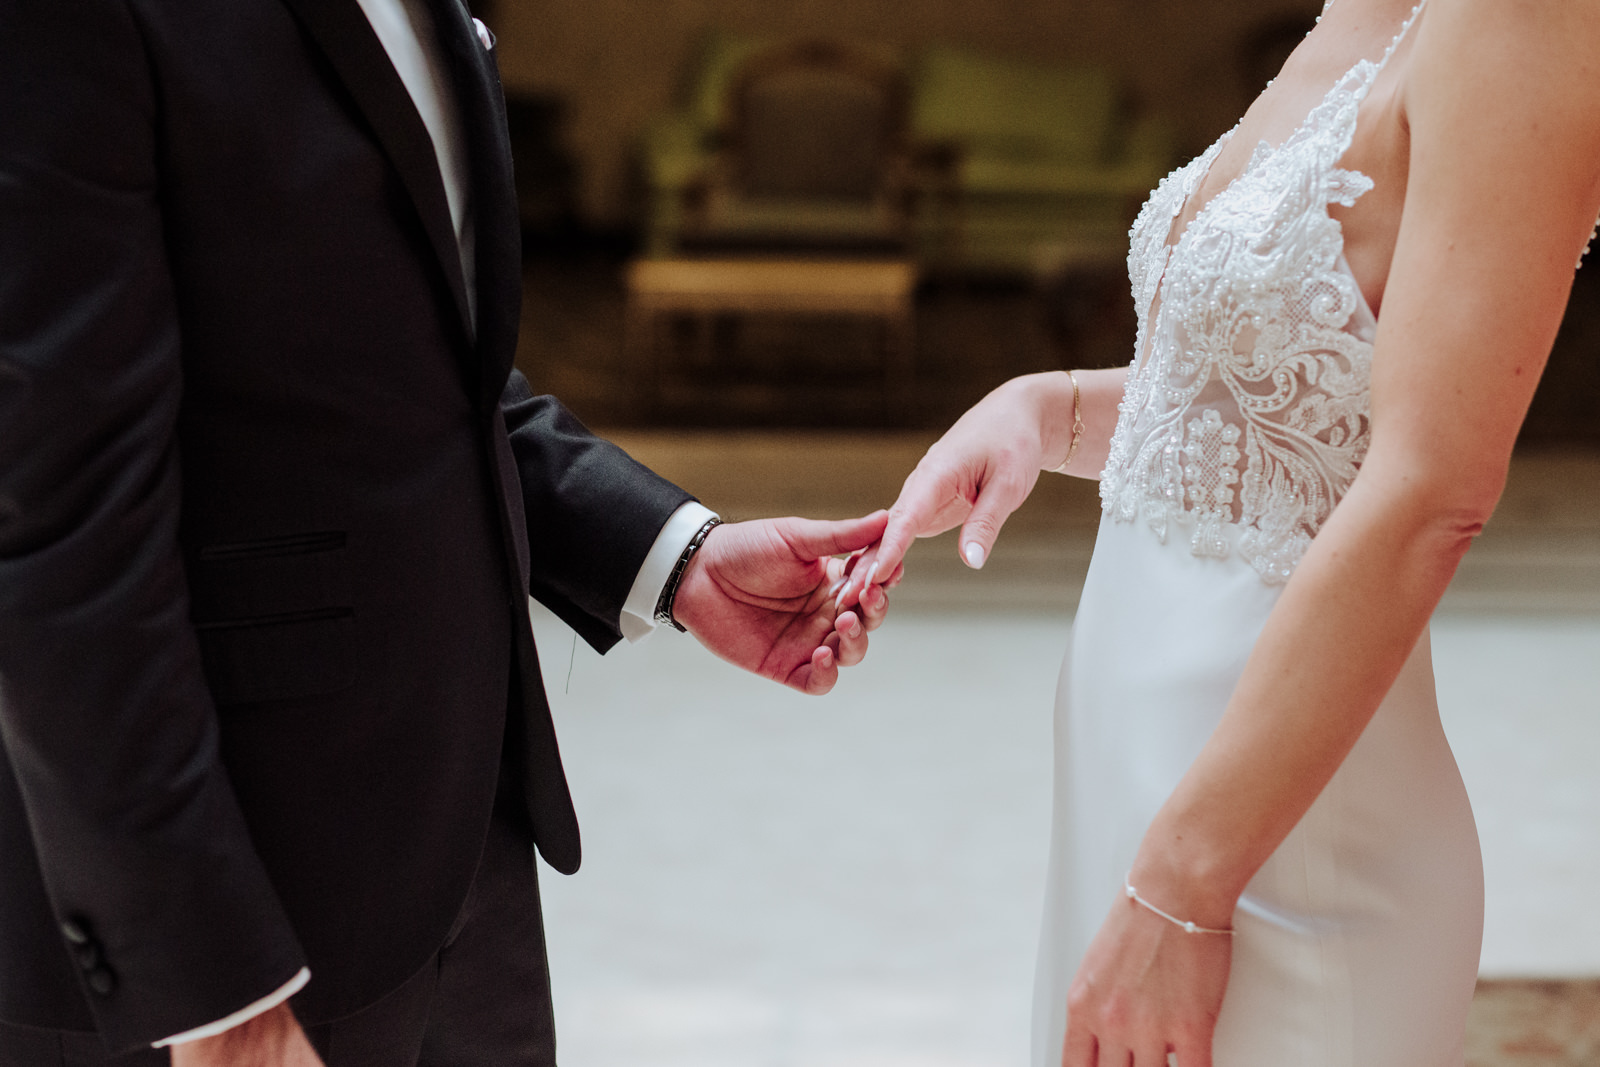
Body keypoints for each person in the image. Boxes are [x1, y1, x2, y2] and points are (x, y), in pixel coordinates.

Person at [0, 0, 890, 1064]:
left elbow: (416, 372)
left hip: (464, 841)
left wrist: (673, 553)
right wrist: (213, 990)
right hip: (235, 913)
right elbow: (57, 518)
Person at [840, 0, 1600, 1062]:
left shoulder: (1520, 17)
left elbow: (1430, 488)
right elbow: (1276, 410)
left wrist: (1186, 886)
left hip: (1279, 854)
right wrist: (1048, 406)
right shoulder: (1358, 10)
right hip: (1138, 800)